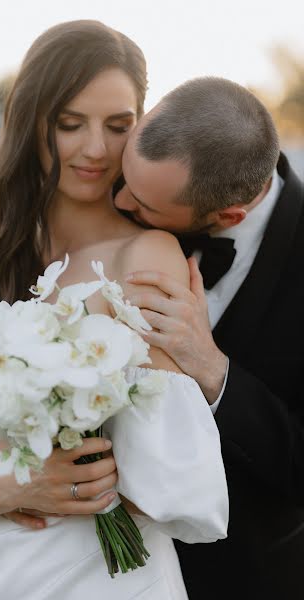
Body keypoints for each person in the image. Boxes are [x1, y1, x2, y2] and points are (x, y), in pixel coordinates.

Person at [0, 22, 228, 600]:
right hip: (5, 575)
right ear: (32, 124)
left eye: (118, 125)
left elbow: (150, 470)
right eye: (69, 123)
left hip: (117, 580)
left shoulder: (146, 256)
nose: (95, 149)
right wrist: (19, 486)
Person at [113, 77, 304, 600]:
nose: (120, 197)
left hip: (249, 577)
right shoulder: (113, 199)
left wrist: (213, 370)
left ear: (228, 217)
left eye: (145, 205)